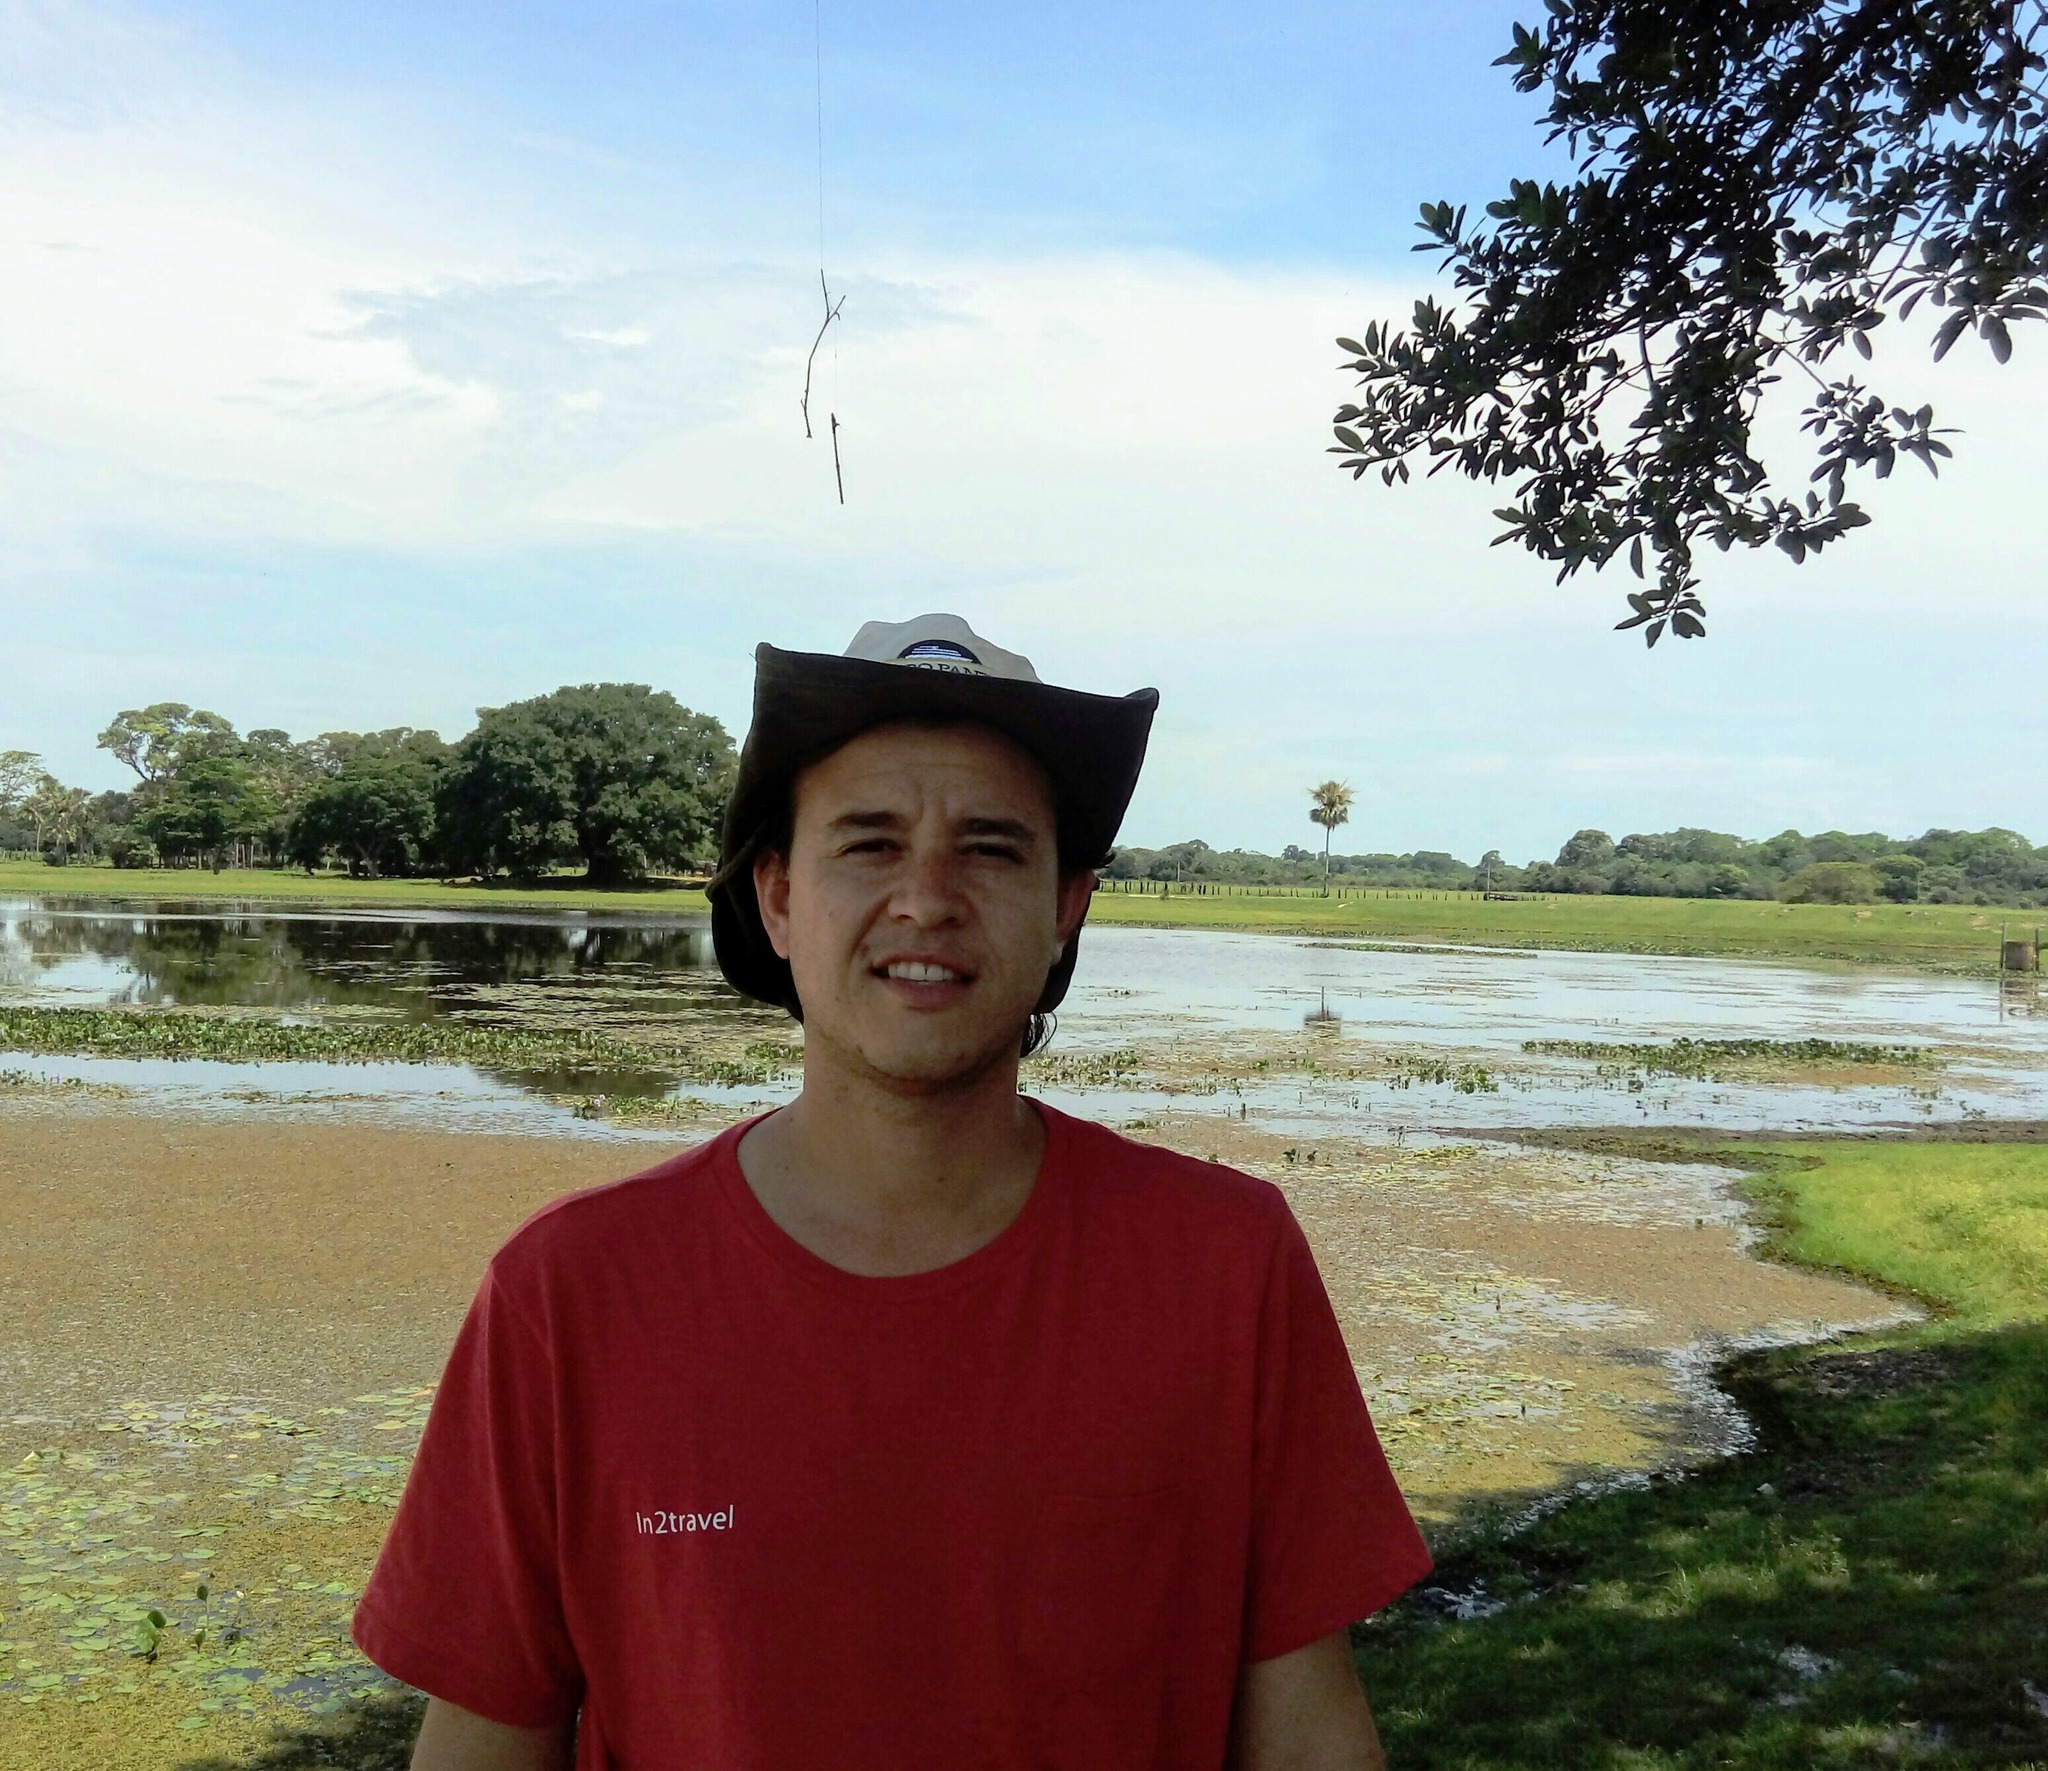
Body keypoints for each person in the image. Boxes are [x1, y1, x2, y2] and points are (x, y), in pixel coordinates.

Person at [352, 614, 1431, 1770]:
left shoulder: (1223, 1264)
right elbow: (484, 1736)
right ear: (776, 897)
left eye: (990, 847)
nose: (925, 897)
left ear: (1065, 903)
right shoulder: (570, 1293)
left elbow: (1310, 1736)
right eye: (867, 843)